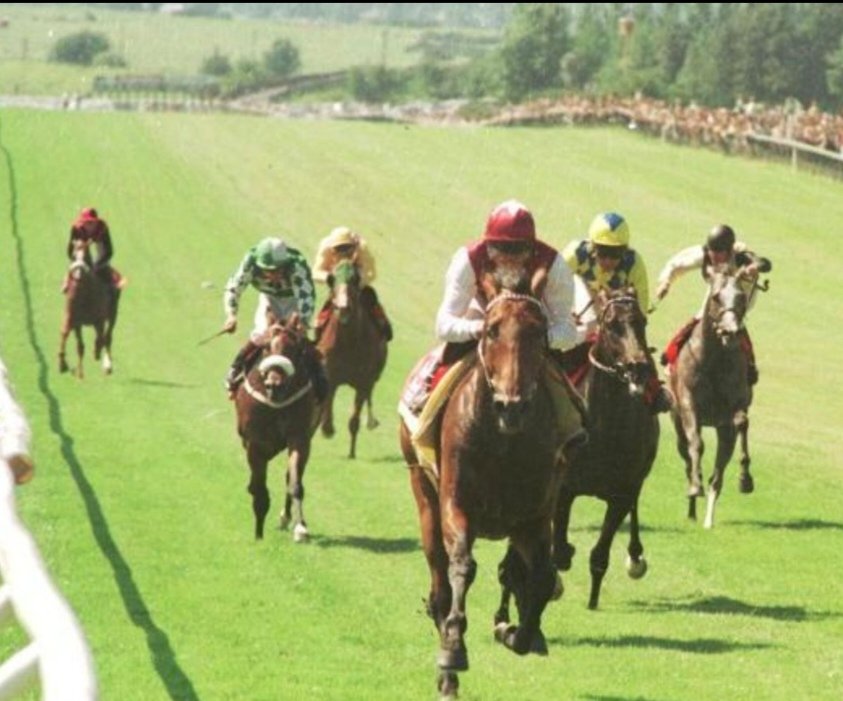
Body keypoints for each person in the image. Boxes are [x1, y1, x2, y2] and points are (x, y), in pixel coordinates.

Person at [433, 199, 587, 452]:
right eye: (502, 248)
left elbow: (568, 330)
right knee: (443, 369)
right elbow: (443, 324)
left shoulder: (554, 265)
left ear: (531, 247)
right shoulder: (468, 259)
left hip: (532, 330)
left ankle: (571, 431)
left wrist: (537, 338)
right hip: (480, 319)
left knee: (560, 388)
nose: (509, 258)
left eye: (518, 250)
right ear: (488, 244)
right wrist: (478, 330)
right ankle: (423, 417)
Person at [561, 211, 673, 414]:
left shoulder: (634, 264)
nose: (609, 260)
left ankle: (654, 390)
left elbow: (640, 313)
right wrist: (564, 311)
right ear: (593, 247)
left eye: (616, 254)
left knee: (635, 342)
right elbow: (555, 284)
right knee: (580, 330)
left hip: (616, 305)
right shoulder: (576, 252)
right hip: (581, 289)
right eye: (603, 253)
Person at [656, 224, 772, 384]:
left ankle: (749, 370)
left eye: (719, 253)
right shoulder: (704, 254)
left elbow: (765, 263)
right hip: (714, 302)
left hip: (736, 307)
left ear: (729, 251)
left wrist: (752, 268)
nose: (714, 256)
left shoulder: (742, 257)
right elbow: (677, 264)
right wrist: (665, 282)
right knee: (689, 329)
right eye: (712, 251)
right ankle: (671, 362)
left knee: (741, 337)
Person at [222, 236, 328, 400]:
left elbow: (306, 297)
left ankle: (319, 378)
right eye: (268, 271)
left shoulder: (297, 265)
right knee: (262, 333)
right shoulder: (251, 261)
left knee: (296, 337)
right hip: (269, 298)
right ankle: (235, 371)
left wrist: (303, 320)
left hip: (294, 301)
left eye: (278, 270)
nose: (273, 275)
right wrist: (231, 315)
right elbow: (234, 288)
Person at [311, 226, 393, 341]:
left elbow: (371, 272)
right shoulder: (325, 247)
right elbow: (316, 271)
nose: (344, 252)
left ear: (354, 245)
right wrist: (329, 278)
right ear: (332, 248)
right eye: (339, 248)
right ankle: (319, 330)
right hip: (337, 281)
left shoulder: (362, 247)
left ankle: (383, 324)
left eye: (347, 248)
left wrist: (358, 281)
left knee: (371, 296)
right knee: (326, 311)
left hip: (357, 279)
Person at [63, 207, 124, 294]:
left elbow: (109, 251)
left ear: (96, 221)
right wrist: (76, 260)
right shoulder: (76, 228)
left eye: (92, 222)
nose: (89, 225)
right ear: (82, 222)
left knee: (103, 264)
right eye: (86, 222)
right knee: (78, 260)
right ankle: (67, 282)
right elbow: (70, 251)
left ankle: (111, 285)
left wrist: (97, 266)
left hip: (99, 241)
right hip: (81, 242)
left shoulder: (102, 227)